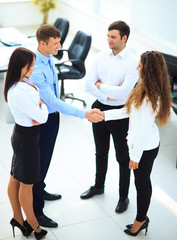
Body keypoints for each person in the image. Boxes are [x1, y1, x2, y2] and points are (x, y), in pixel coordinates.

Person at [30, 24, 104, 228]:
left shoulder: (49, 58)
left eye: (59, 41)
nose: (60, 46)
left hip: (52, 119)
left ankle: (40, 189)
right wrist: (84, 113)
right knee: (39, 163)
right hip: (43, 121)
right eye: (56, 43)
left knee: (46, 159)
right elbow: (53, 101)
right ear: (42, 43)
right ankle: (37, 211)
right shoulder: (36, 68)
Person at [104, 51, 172, 236]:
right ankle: (143, 217)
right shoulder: (142, 86)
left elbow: (142, 129)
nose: (137, 68)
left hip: (144, 148)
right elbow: (129, 111)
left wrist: (135, 157)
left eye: (140, 65)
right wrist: (104, 115)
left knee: (141, 184)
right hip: (139, 145)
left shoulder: (152, 96)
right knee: (143, 181)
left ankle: (140, 220)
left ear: (148, 69)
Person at [80, 20, 138, 214]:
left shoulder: (132, 62)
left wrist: (101, 86)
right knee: (100, 151)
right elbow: (88, 84)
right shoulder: (101, 56)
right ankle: (98, 186)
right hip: (99, 109)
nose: (108, 40)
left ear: (124, 38)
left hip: (121, 113)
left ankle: (123, 196)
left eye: (112, 37)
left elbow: (123, 94)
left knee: (123, 157)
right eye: (107, 36)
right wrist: (108, 92)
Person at [4, 47, 48, 239]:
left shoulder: (22, 83)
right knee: (26, 183)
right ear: (21, 66)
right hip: (27, 140)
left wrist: (39, 108)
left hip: (24, 137)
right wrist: (43, 106)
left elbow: (38, 114)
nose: (34, 69)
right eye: (31, 65)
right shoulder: (19, 92)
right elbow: (41, 117)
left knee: (16, 177)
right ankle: (34, 226)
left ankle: (18, 219)